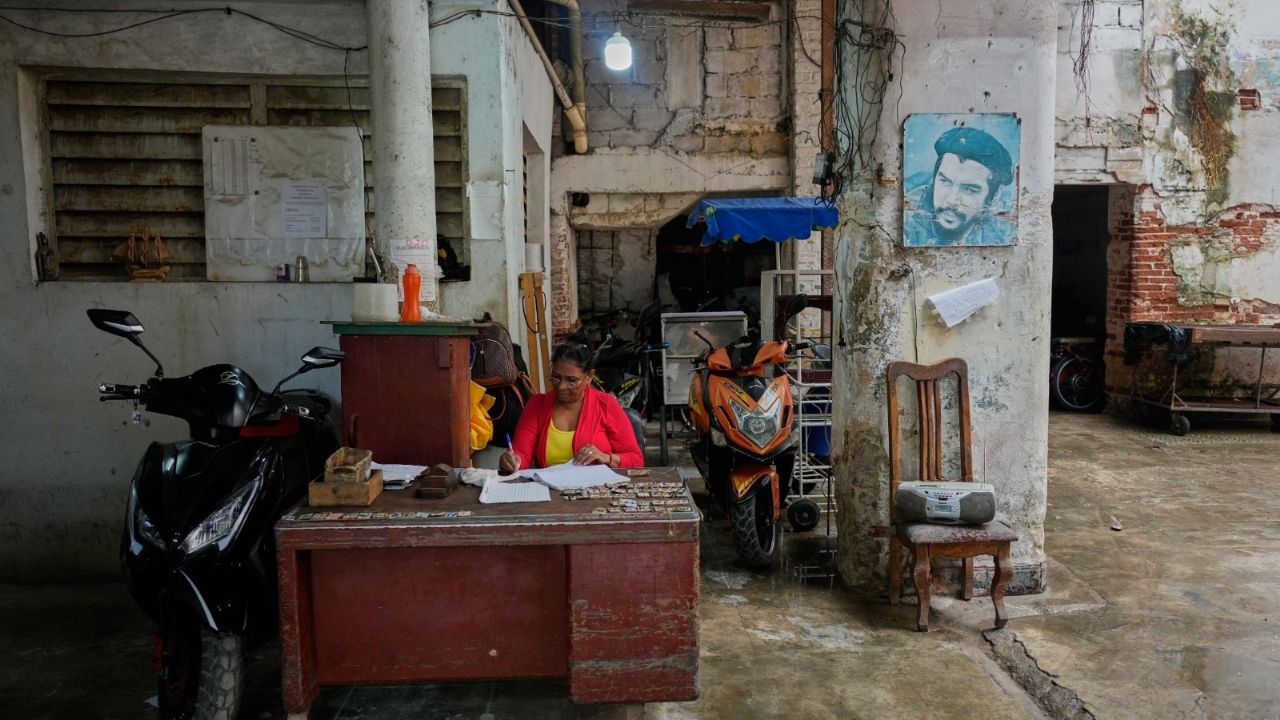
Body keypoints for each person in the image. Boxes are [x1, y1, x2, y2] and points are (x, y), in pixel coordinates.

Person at [499, 342, 644, 472]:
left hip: (596, 489)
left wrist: (606, 457)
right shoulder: (537, 405)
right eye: (556, 377)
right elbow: (521, 453)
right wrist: (512, 461)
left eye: (572, 380)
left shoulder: (606, 404)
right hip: (550, 488)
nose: (562, 386)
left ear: (589, 377)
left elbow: (636, 459)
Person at [904, 126, 1016, 246]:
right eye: (945, 181)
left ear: (994, 197)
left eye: (969, 189)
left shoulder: (1004, 235)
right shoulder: (905, 224)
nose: (951, 200)